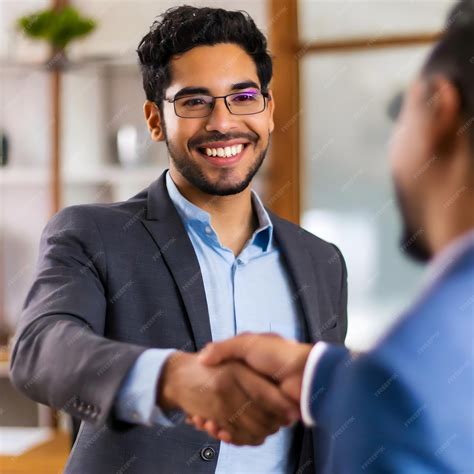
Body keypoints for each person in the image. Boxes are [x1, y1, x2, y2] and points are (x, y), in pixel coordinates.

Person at [9, 6, 348, 474]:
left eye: (243, 97)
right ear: (155, 120)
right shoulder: (92, 234)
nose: (223, 122)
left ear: (269, 111)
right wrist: (175, 379)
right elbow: (40, 349)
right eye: (194, 101)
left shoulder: (322, 260)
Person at [192, 0, 474, 472]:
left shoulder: (401, 385)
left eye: (397, 112)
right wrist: (321, 376)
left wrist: (368, 394)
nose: (222, 121)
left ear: (438, 109)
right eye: (196, 100)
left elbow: (416, 400)